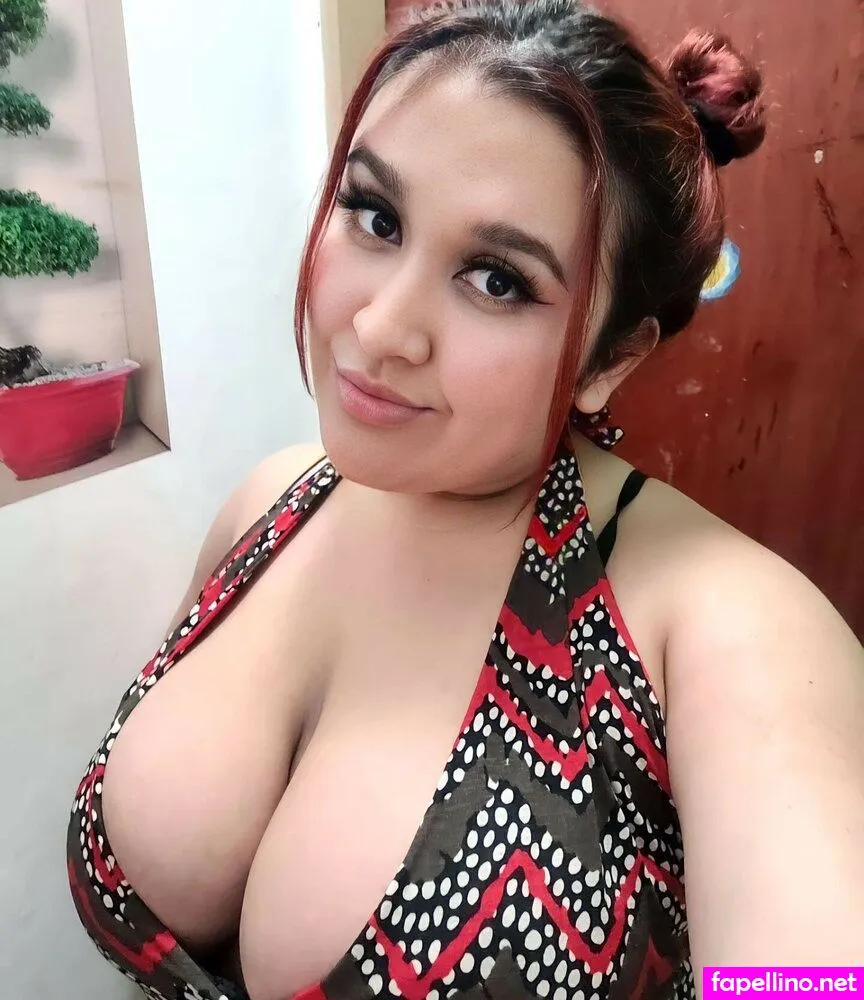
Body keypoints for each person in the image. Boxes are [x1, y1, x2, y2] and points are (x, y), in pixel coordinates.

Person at [67, 2, 864, 999]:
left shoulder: (729, 625)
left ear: (610, 360)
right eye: (375, 216)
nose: (380, 327)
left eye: (496, 279)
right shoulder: (271, 504)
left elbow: (811, 973)